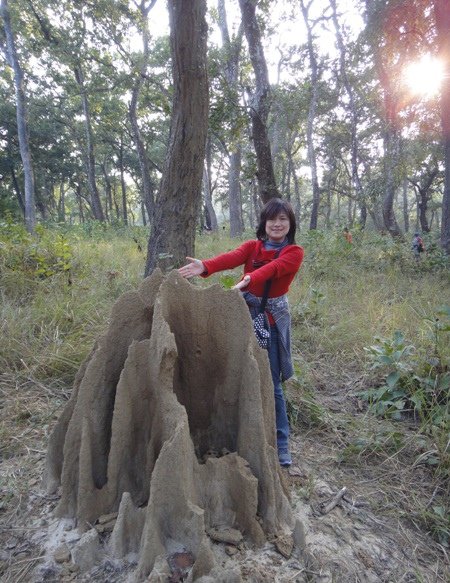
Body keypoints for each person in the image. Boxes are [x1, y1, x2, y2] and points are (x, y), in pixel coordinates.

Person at [178, 198, 304, 467]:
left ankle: (281, 443)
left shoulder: (294, 252)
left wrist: (248, 279)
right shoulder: (252, 247)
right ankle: (238, 431)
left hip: (269, 320)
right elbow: (231, 257)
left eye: (283, 219)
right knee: (235, 372)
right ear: (264, 223)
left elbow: (275, 269)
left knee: (272, 383)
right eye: (272, 219)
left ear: (290, 223)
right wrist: (206, 267)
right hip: (243, 315)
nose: (277, 224)